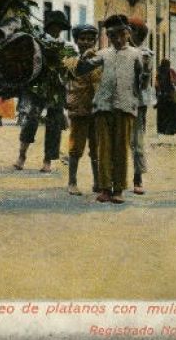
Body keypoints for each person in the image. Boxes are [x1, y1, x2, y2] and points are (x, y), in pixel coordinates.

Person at [76, 14, 148, 204]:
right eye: (112, 36)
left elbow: (142, 81)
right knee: (104, 149)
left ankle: (119, 189)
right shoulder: (103, 54)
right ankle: (105, 188)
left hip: (125, 106)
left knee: (121, 149)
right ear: (107, 36)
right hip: (103, 106)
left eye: (120, 35)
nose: (116, 39)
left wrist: (146, 72)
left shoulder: (136, 55)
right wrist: (85, 56)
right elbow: (81, 70)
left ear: (127, 34)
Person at [13, 10, 71, 172]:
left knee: (54, 124)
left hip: (57, 88)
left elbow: (69, 68)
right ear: (48, 26)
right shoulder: (38, 41)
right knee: (31, 120)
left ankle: (47, 161)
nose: (56, 29)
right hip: (38, 86)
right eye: (53, 26)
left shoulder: (66, 46)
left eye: (59, 27)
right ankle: (22, 155)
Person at [63, 23, 100, 196]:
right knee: (76, 147)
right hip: (78, 107)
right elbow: (76, 69)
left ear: (95, 41)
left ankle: (98, 181)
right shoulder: (70, 58)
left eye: (90, 39)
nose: (86, 42)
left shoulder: (99, 59)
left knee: (97, 147)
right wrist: (85, 57)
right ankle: (72, 182)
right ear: (76, 41)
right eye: (82, 39)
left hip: (97, 108)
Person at [128, 17, 154, 195]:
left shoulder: (145, 54)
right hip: (121, 100)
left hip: (138, 103)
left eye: (128, 31)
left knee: (137, 141)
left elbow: (144, 83)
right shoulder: (120, 50)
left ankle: (138, 177)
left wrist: (144, 70)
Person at [156, 59, 176, 135]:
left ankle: (161, 130)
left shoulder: (159, 72)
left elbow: (157, 85)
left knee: (162, 114)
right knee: (171, 114)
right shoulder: (171, 71)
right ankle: (170, 130)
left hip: (162, 97)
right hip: (171, 96)